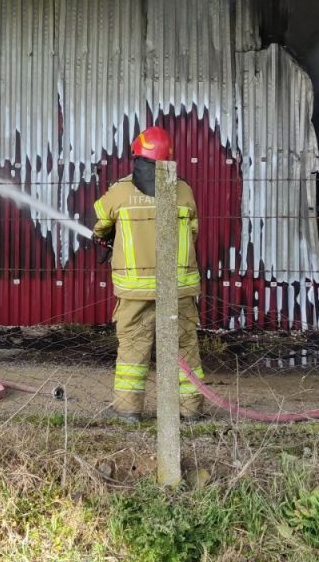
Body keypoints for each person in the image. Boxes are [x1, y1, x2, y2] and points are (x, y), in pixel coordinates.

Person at [92, 126, 205, 423]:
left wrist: (109, 233)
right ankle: (191, 412)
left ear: (137, 157)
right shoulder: (183, 190)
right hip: (178, 289)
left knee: (133, 351)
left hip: (134, 292)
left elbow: (99, 224)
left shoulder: (120, 191)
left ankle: (129, 412)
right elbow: (193, 232)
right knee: (185, 350)